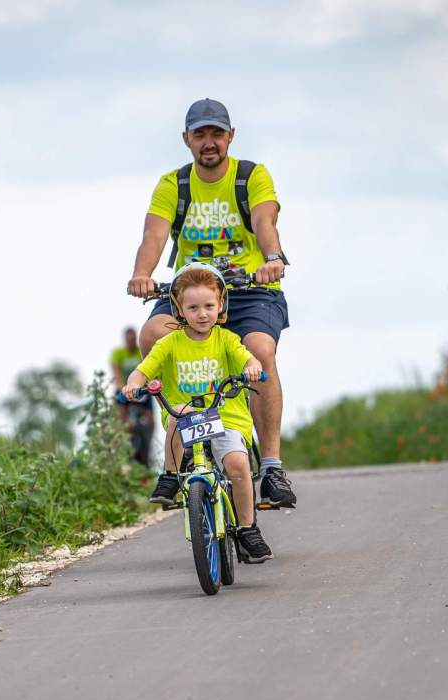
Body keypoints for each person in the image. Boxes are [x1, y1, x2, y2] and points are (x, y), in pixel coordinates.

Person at [126, 97, 296, 508]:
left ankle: (271, 466)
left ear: (230, 136)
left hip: (250, 289)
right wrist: (141, 274)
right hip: (192, 291)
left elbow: (264, 222)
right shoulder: (174, 185)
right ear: (186, 139)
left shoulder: (251, 176)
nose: (209, 143)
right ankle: (178, 456)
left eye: (216, 134)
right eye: (199, 134)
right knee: (152, 335)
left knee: (258, 350)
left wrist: (272, 259)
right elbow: (155, 236)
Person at [122, 265, 273, 563]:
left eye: (209, 306)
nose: (202, 314)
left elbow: (247, 358)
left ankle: (247, 529)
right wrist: (133, 384)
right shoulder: (169, 344)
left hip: (224, 416)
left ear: (220, 305)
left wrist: (252, 367)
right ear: (179, 309)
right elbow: (143, 370)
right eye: (193, 307)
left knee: (238, 466)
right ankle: (169, 475)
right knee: (178, 416)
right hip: (187, 416)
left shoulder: (226, 340)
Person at [111, 327, 155, 466]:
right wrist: (121, 386)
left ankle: (149, 441)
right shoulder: (118, 353)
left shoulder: (139, 351)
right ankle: (121, 433)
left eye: (132, 340)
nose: (130, 342)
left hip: (140, 389)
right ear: (125, 340)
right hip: (124, 387)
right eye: (128, 340)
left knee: (150, 419)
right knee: (119, 408)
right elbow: (117, 373)